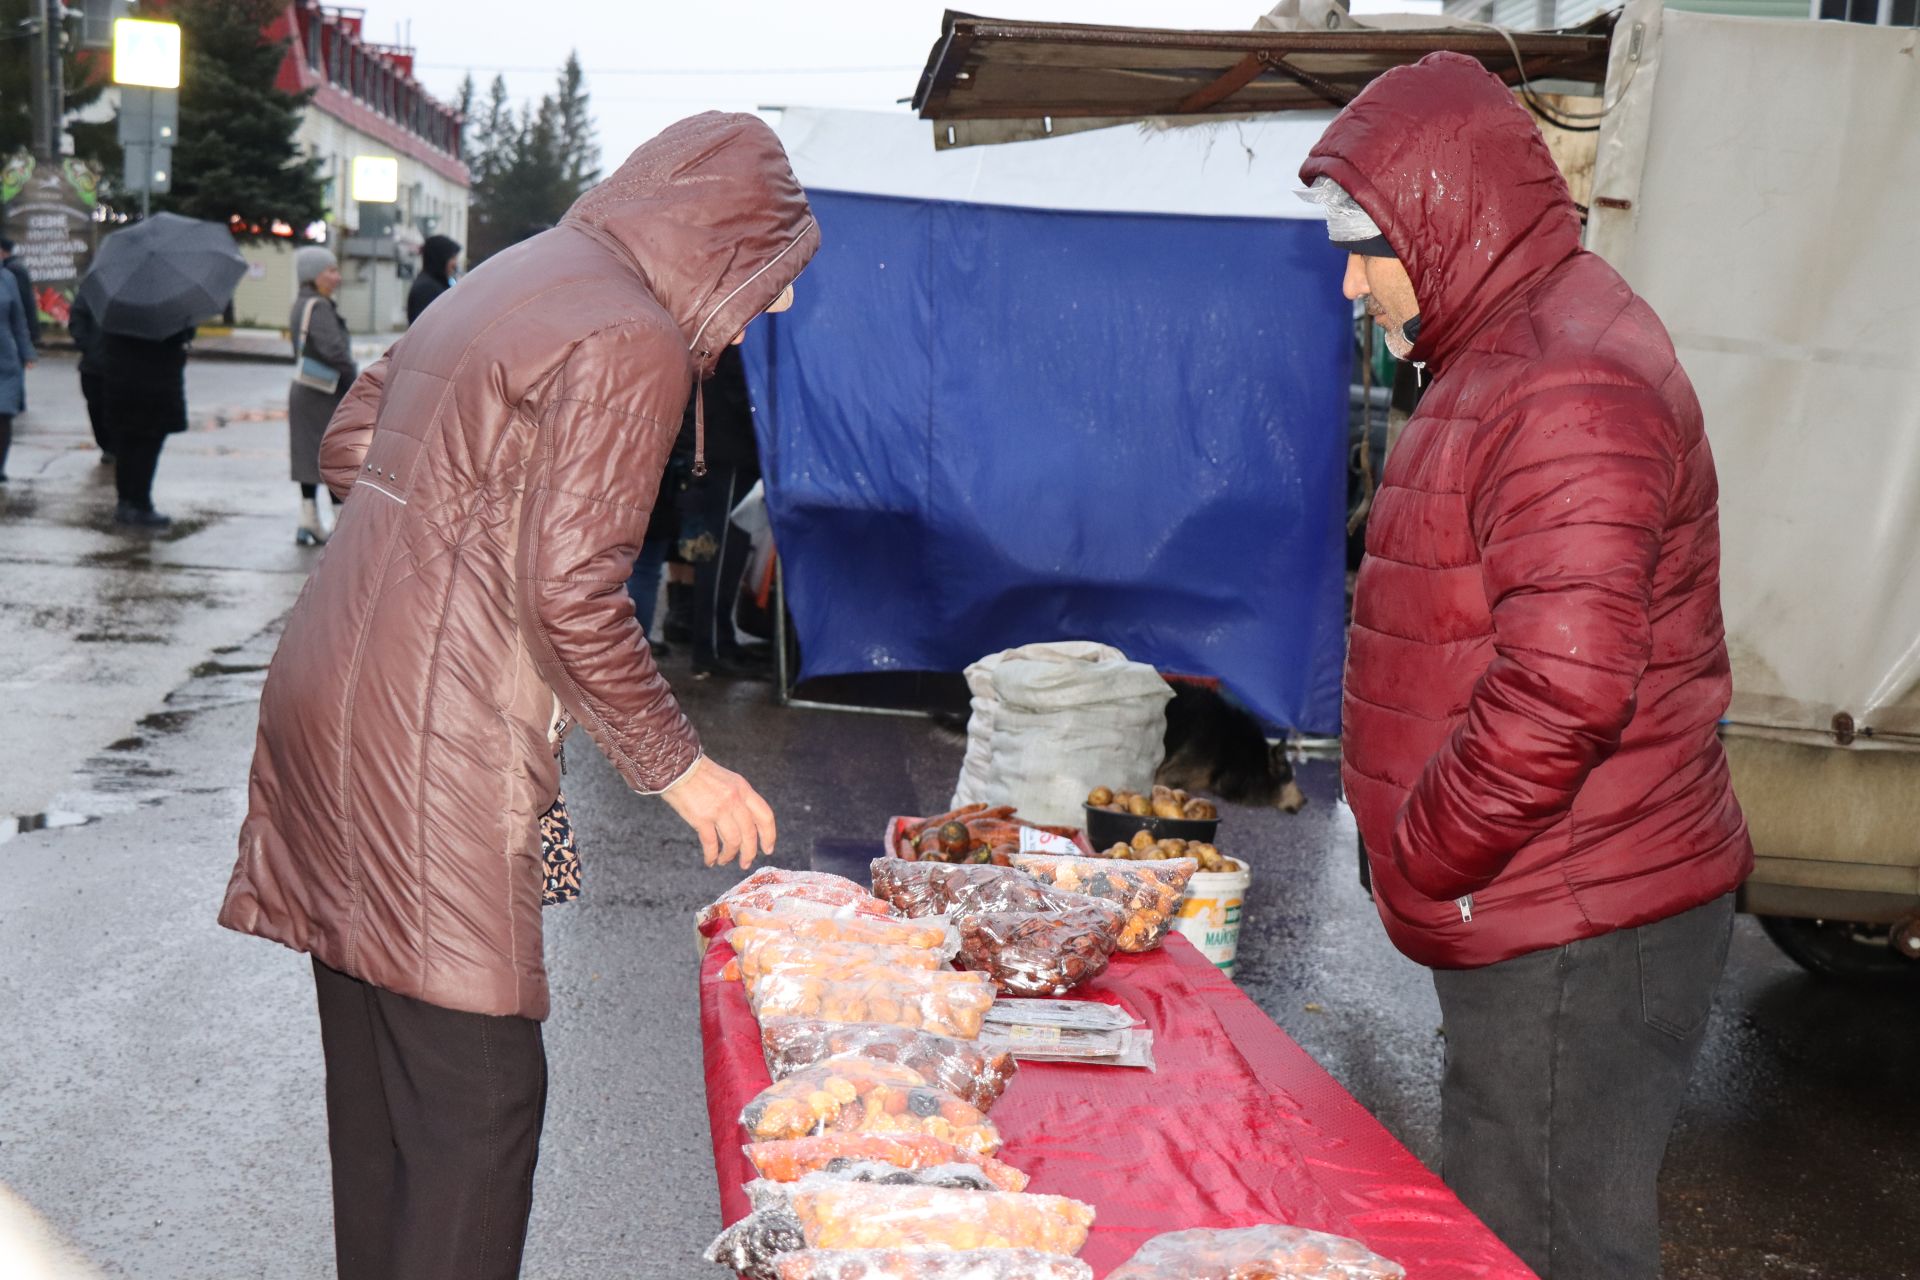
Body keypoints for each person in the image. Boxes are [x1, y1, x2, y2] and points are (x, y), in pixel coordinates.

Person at [218, 113, 817, 1280]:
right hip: (429, 745)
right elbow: (570, 592)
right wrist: (681, 766)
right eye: (775, 272)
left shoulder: (519, 271)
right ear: (718, 242)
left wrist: (448, 536)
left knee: (387, 1081)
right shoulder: (632, 337)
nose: (780, 307)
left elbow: (355, 438)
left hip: (334, 692)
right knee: (479, 1095)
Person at [1299, 53, 1752, 1280]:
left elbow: (1564, 690)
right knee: (1513, 1226)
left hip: (1576, 912)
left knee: (1543, 1246)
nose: (1348, 277)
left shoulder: (1566, 380)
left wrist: (1426, 851)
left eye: (1366, 244)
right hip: (1551, 895)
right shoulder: (1508, 348)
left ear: (1448, 215)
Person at [675, 344, 768, 679]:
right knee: (721, 556)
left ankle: (721, 640)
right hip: (727, 455)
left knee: (730, 554)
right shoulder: (735, 346)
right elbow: (741, 396)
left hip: (728, 453)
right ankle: (711, 648)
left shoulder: (732, 342)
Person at [289, 246, 356, 545]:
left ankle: (308, 521)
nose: (337, 277)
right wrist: (354, 378)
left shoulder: (301, 303)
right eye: (330, 271)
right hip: (325, 393)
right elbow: (334, 351)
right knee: (331, 455)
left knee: (308, 456)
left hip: (307, 390)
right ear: (314, 276)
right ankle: (340, 526)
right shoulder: (320, 307)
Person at [65, 291, 114, 464]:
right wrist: (87, 347)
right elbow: (77, 318)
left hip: (124, 364)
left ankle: (118, 445)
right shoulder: (92, 290)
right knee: (96, 406)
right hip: (94, 365)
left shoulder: (135, 290)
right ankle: (107, 445)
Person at [0, 253, 34, 482]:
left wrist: (26, 351)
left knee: (4, 414)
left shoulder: (7, 279)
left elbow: (18, 319)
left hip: (5, 357)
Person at [405, 233, 460, 325]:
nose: (455, 264)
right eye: (452, 258)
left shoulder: (432, 284)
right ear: (440, 258)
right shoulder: (427, 289)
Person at [0, 237, 40, 348]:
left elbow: (20, 301)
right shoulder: (14, 266)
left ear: (2, 251)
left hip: (18, 327)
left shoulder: (12, 269)